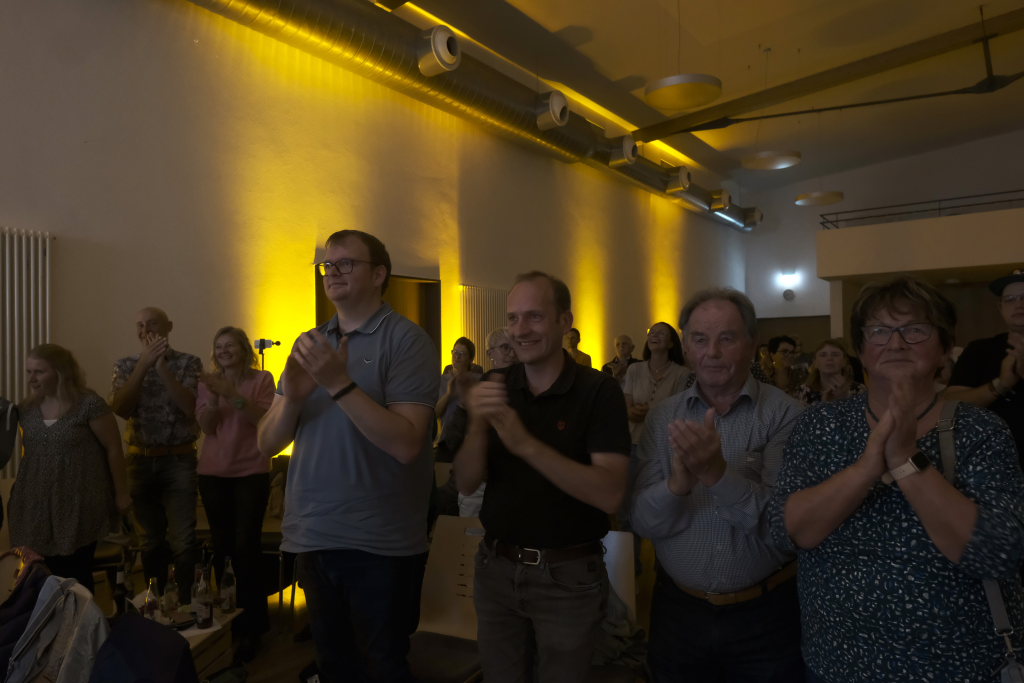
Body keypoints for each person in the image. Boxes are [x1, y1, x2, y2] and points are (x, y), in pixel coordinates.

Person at [770, 276, 1024, 682]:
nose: (896, 343)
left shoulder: (980, 429)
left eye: (915, 329)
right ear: (861, 351)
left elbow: (997, 553)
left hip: (960, 666)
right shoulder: (821, 424)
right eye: (879, 331)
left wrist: (906, 459)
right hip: (839, 662)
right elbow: (788, 533)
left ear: (944, 348)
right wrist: (866, 469)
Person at [257, 229, 438, 683]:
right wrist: (293, 399)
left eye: (346, 263)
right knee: (334, 666)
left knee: (382, 667)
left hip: (378, 540)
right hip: (313, 533)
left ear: (378, 275)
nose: (332, 272)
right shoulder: (310, 343)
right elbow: (266, 443)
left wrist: (338, 383)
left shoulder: (407, 340)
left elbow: (407, 443)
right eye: (327, 265)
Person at [454, 271, 630, 683]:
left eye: (534, 317)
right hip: (496, 568)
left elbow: (610, 494)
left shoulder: (598, 391)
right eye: (513, 319)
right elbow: (465, 482)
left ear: (565, 321)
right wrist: (477, 423)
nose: (520, 330)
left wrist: (525, 444)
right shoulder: (497, 383)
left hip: (567, 576)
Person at [631, 288, 805, 682]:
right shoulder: (663, 417)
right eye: (699, 339)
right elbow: (642, 521)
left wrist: (716, 475)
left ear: (752, 344)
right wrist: (677, 484)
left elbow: (785, 529)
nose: (712, 352)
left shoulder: (786, 415)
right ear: (686, 347)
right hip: (677, 611)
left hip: (765, 614)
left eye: (727, 338)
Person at [9, 344, 130, 591]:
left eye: (39, 372)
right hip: (34, 504)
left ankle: (81, 616)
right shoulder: (26, 409)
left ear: (60, 372)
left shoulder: (88, 404)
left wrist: (121, 493)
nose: (31, 378)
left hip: (78, 503)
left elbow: (113, 449)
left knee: (75, 575)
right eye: (29, 372)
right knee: (37, 576)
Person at [195, 326, 276, 659]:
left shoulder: (262, 379)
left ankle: (252, 626)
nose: (224, 350)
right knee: (223, 548)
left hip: (251, 473)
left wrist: (231, 392)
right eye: (219, 346)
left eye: (230, 345)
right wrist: (215, 396)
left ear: (244, 349)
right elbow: (207, 427)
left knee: (246, 548)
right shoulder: (207, 382)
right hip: (213, 474)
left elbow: (263, 419)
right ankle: (229, 619)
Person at [111, 307, 202, 602]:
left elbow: (189, 407)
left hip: (179, 460)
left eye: (152, 323)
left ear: (168, 327)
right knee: (150, 541)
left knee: (183, 539)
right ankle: (157, 605)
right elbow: (121, 408)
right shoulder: (125, 365)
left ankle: (187, 606)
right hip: (139, 461)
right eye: (140, 325)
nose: (145, 330)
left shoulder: (189, 362)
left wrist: (161, 368)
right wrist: (143, 365)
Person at [946, 269, 1024, 463]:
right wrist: (1001, 384)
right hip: (991, 463)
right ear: (1000, 307)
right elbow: (949, 404)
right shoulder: (979, 350)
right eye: (1010, 299)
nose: (1019, 304)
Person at [623, 323, 690, 448]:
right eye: (652, 332)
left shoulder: (682, 373)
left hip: (664, 444)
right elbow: (626, 404)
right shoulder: (634, 369)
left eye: (661, 333)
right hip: (634, 441)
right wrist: (631, 412)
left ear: (671, 343)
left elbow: (680, 409)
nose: (654, 335)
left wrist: (650, 411)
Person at [434, 337, 483, 463]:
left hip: (471, 440)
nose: (457, 357)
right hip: (447, 441)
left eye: (462, 354)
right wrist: (449, 394)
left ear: (470, 359)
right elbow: (436, 413)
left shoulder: (478, 380)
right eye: (454, 352)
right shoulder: (442, 380)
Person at [794, 338, 864, 406]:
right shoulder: (803, 391)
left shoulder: (859, 390)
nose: (829, 358)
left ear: (844, 362)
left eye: (835, 355)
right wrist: (825, 404)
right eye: (823, 355)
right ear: (815, 363)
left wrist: (843, 400)